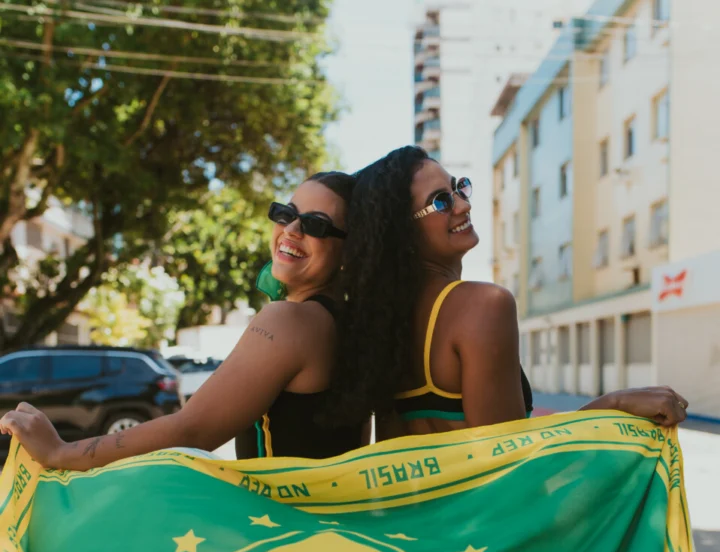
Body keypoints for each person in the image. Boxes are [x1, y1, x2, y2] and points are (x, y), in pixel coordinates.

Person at [0, 172, 365, 468]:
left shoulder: (291, 320)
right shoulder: (347, 322)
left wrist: (61, 453)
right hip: (321, 526)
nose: (292, 229)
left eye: (316, 225)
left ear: (350, 251)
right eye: (286, 214)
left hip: (283, 527)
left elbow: (192, 429)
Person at [325, 146, 688, 436]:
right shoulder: (482, 305)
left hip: (411, 511)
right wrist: (613, 405)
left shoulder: (382, 323)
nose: (464, 205)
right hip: (479, 510)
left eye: (458, 188)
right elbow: (510, 460)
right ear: (402, 230)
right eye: (440, 201)